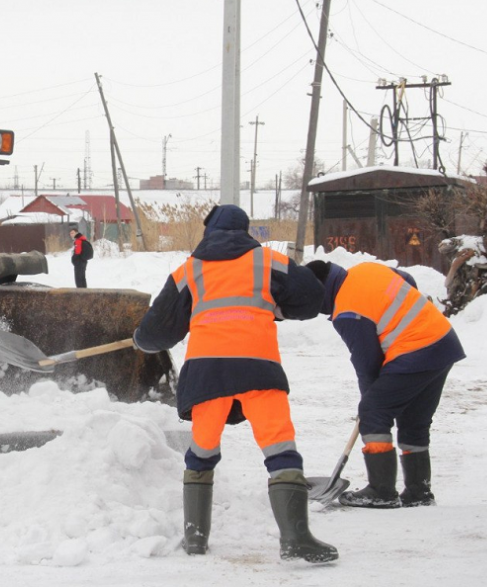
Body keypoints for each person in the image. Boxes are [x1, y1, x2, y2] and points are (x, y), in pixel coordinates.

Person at [133, 204, 337, 563]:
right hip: (258, 368)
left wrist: (140, 339)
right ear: (245, 231)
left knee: (202, 450)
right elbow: (311, 299)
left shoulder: (189, 271)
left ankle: (195, 539)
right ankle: (296, 538)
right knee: (279, 445)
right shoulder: (268, 262)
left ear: (208, 232)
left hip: (206, 372)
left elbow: (158, 332)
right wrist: (276, 309)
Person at [306, 260, 465, 509]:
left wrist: (369, 404)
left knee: (373, 412)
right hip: (443, 342)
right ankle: (418, 491)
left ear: (319, 290)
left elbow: (367, 363)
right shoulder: (366, 269)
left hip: (414, 351)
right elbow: (407, 280)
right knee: (414, 420)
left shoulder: (347, 311)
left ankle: (381, 490)